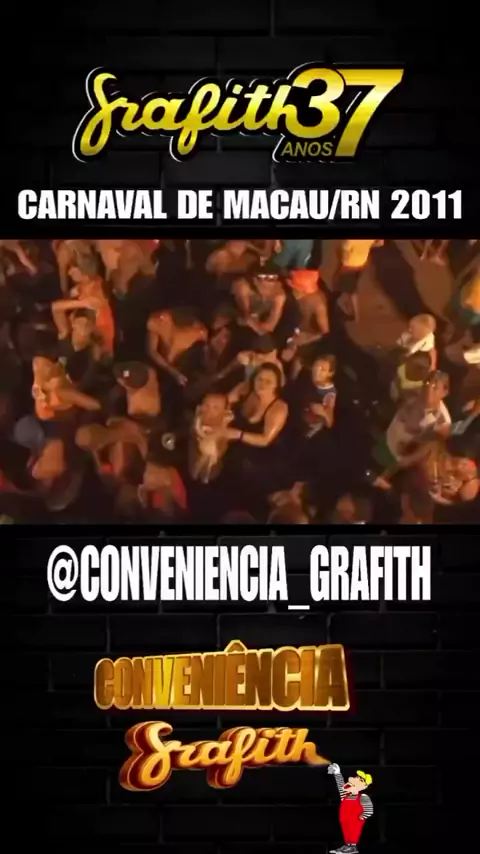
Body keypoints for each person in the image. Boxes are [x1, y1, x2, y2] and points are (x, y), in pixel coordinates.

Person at [372, 372, 452, 490]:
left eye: (435, 387)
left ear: (444, 392)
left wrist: (407, 460)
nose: (428, 389)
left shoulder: (442, 422)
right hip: (385, 438)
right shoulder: (413, 393)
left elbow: (430, 447)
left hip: (397, 457)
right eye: (427, 384)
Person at [281, 269, 329, 379]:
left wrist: (307, 339)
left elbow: (325, 332)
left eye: (295, 288)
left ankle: (292, 382)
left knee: (297, 362)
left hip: (307, 336)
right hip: (293, 329)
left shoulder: (318, 305)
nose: (292, 289)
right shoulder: (291, 296)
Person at [327, 762, 374, 854]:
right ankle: (347, 845)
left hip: (355, 821)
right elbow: (341, 786)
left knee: (353, 833)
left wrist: (362, 817)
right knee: (346, 833)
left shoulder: (363, 797)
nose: (356, 779)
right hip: (344, 819)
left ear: (364, 786)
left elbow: (369, 810)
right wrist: (337, 773)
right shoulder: (346, 795)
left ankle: (352, 847)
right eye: (357, 777)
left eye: (360, 779)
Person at [336, 239, 384, 323]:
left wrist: (342, 261)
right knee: (351, 285)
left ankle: (355, 314)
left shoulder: (350, 240)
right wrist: (368, 245)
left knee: (350, 290)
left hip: (349, 266)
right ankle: (351, 305)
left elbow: (345, 255)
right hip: (361, 264)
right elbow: (381, 243)